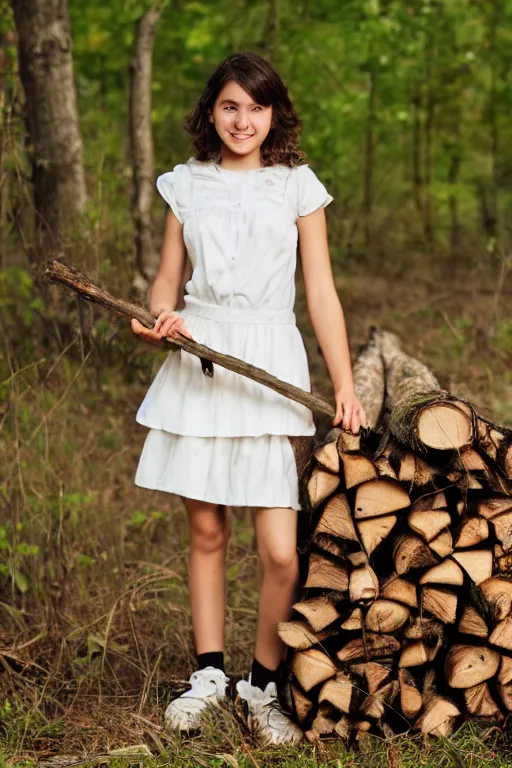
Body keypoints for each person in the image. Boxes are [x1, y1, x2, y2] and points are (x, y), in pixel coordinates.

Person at [130, 51, 367, 745]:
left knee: (279, 550)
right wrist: (159, 320)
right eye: (230, 106)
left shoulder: (296, 186)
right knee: (206, 531)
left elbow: (320, 292)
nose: (242, 120)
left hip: (267, 359)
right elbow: (164, 283)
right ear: (212, 111)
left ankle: (263, 686)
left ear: (273, 115)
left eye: (255, 108)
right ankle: (208, 675)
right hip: (200, 360)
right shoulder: (186, 186)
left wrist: (345, 383)